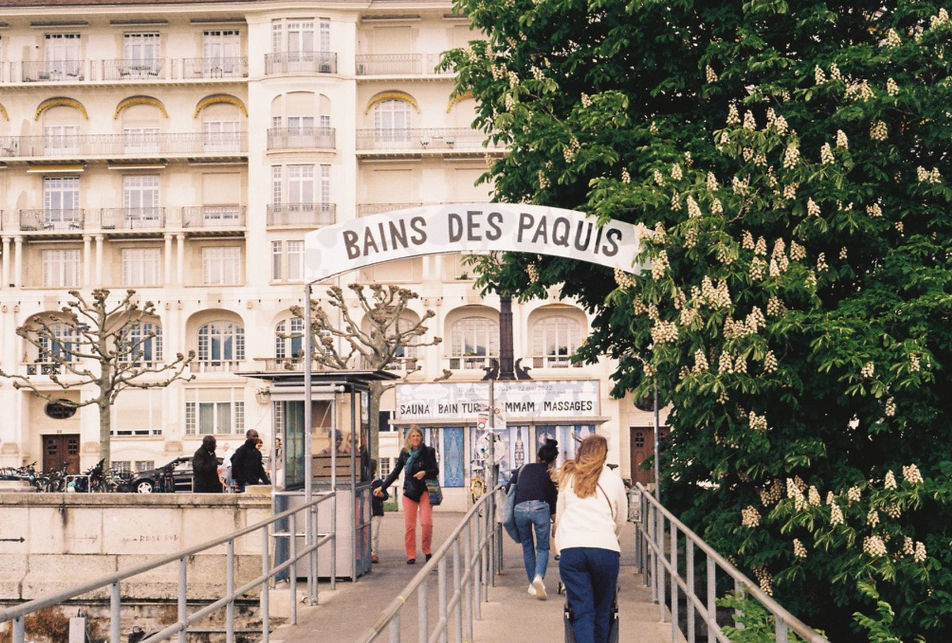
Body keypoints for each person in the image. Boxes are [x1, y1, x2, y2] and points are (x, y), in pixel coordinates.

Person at [556, 434, 628, 643]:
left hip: (572, 549)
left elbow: (560, 518)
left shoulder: (568, 478)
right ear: (604, 455)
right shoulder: (613, 480)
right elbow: (621, 518)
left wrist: (561, 547)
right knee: (603, 610)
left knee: (582, 611)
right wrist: (610, 539)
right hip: (605, 549)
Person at [374, 426, 439, 564]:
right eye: (413, 436)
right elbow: (395, 472)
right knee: (410, 526)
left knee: (426, 523)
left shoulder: (428, 451)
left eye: (418, 436)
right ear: (409, 438)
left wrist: (425, 473)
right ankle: (411, 555)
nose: (415, 438)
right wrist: (382, 487)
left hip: (425, 490)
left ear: (421, 437)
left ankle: (426, 550)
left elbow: (435, 470)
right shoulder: (405, 453)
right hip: (409, 492)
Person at [507, 438, 559, 600]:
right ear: (553, 460)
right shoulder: (549, 474)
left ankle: (532, 585)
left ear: (538, 456)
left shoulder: (523, 468)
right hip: (540, 508)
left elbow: (509, 487)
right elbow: (552, 499)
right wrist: (556, 519)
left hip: (519, 509)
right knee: (542, 547)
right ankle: (538, 577)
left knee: (527, 546)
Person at [369, 458, 388, 563]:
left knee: (374, 534)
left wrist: (381, 494)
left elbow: (385, 496)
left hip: (376, 511)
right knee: (365, 533)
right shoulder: (363, 481)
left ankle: (374, 553)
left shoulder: (379, 482)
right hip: (364, 511)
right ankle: (366, 552)